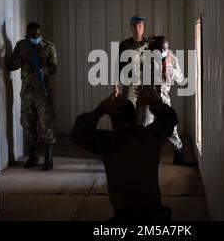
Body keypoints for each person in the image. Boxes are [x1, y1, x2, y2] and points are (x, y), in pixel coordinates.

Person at [70, 87, 176, 222]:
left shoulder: (109, 142)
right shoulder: (151, 136)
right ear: (136, 117)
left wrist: (100, 110)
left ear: (113, 122)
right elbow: (171, 117)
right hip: (155, 215)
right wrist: (155, 103)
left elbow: (78, 133)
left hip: (124, 216)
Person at [7, 22, 58, 171]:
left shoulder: (49, 47)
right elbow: (10, 65)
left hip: (43, 93)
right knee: (28, 125)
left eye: (37, 35)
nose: (35, 37)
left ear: (40, 33)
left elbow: (54, 68)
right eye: (32, 35)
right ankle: (32, 156)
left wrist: (44, 69)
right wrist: (22, 60)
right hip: (27, 93)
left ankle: (48, 158)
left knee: (46, 125)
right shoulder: (22, 46)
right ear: (27, 34)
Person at [146, 35, 195, 167]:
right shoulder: (146, 58)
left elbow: (180, 79)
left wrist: (170, 69)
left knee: (172, 128)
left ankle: (179, 156)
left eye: (165, 49)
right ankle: (144, 158)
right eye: (159, 50)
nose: (162, 52)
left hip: (164, 97)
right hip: (149, 98)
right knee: (146, 126)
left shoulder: (172, 57)